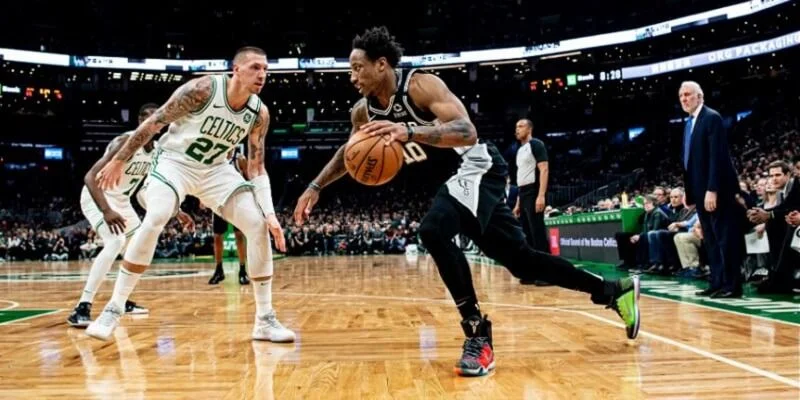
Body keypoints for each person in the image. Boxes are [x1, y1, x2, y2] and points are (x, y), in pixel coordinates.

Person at [293, 26, 640, 377]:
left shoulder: (420, 85)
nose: (352, 77)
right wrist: (315, 186)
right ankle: (613, 290)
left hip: (477, 166)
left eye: (357, 68)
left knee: (432, 231)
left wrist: (409, 131)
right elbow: (349, 151)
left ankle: (477, 334)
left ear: (381, 64)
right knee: (523, 263)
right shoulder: (363, 113)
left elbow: (467, 131)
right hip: (455, 182)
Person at [87, 46, 294, 344]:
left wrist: (270, 214)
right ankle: (113, 308)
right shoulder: (202, 90)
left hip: (216, 171)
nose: (262, 74)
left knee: (258, 225)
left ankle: (265, 320)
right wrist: (120, 159)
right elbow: (154, 122)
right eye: (255, 67)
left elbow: (256, 167)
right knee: (157, 216)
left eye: (265, 69)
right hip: (175, 163)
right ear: (236, 69)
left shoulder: (259, 113)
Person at [67, 103, 194, 327]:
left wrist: (177, 212)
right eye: (147, 118)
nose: (152, 123)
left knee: (137, 248)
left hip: (122, 201)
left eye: (157, 119)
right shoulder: (124, 142)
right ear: (140, 121)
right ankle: (82, 307)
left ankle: (121, 300)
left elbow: (146, 191)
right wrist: (106, 211)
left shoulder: (157, 151)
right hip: (98, 196)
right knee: (115, 242)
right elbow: (90, 177)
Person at [679, 81, 743, 298]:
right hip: (699, 191)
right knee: (711, 239)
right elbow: (689, 162)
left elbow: (718, 156)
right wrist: (689, 192)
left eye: (688, 94)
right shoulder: (689, 124)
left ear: (700, 96)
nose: (684, 99)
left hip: (716, 190)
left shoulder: (711, 117)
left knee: (725, 238)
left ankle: (732, 285)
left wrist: (712, 189)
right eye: (681, 96)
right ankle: (717, 282)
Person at [512, 118, 551, 285]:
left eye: (521, 126)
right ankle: (532, 272)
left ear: (529, 129)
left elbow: (544, 169)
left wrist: (541, 195)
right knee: (527, 236)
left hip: (534, 191)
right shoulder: (520, 150)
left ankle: (548, 274)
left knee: (538, 234)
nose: (517, 129)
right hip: (523, 193)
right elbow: (521, 177)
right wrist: (518, 203)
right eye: (516, 127)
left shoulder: (536, 144)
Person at [209, 147, 250, 285]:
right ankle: (219, 270)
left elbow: (248, 178)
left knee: (239, 236)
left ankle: (242, 270)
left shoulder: (240, 159)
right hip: (219, 201)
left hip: (236, 201)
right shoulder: (216, 158)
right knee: (217, 237)